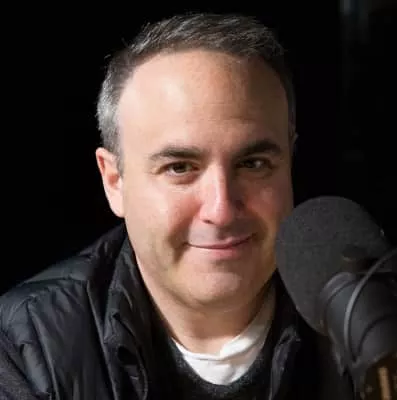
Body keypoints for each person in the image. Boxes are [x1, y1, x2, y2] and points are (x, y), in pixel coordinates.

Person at [0, 12, 356, 400]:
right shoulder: (28, 344)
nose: (221, 210)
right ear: (114, 181)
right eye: (180, 168)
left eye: (253, 164)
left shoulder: (373, 320)